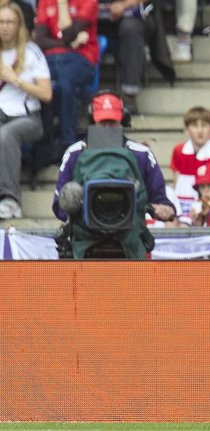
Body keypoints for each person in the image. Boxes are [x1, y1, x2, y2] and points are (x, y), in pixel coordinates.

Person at [52, 91, 176, 257]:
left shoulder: (141, 154)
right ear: (92, 120)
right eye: (103, 122)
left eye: (113, 121)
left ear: (122, 120)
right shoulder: (75, 152)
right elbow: (59, 207)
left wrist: (164, 209)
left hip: (130, 241)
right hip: (86, 241)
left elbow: (160, 200)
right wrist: (72, 201)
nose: (108, 127)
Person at [0, 3, 53, 220]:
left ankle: (10, 200)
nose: (4, 27)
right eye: (1, 22)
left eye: (9, 22)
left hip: (28, 117)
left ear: (19, 25)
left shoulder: (32, 52)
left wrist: (16, 80)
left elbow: (47, 94)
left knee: (5, 135)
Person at [34, 0, 97, 151]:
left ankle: (66, 144)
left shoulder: (89, 2)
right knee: (37, 83)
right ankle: (41, 144)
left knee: (65, 84)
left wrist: (62, 4)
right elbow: (40, 41)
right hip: (49, 58)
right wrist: (68, 44)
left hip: (81, 58)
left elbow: (68, 33)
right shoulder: (45, 2)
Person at [170, 106, 210, 225]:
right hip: (184, 197)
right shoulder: (179, 150)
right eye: (195, 125)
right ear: (186, 130)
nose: (200, 130)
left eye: (204, 125)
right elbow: (176, 178)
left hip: (208, 198)